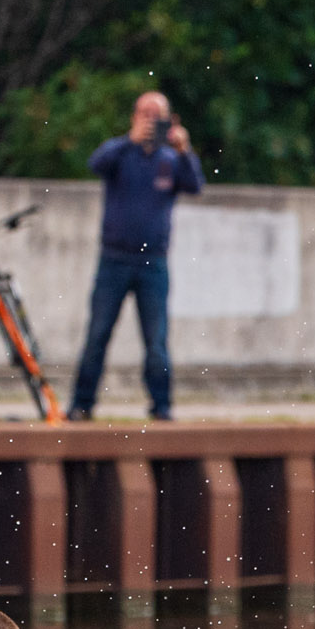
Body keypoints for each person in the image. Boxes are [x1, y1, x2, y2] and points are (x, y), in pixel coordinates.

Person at [68, 91, 202, 422]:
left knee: (156, 341)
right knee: (97, 335)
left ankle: (162, 406)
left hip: (153, 263)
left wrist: (185, 151)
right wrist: (129, 141)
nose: (148, 121)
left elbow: (195, 185)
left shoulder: (171, 160)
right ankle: (82, 404)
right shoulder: (119, 152)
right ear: (133, 117)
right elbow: (95, 164)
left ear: (169, 122)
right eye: (143, 113)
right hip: (114, 259)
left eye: (155, 115)